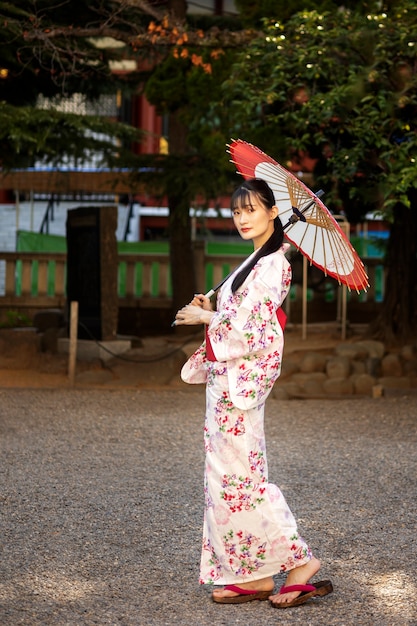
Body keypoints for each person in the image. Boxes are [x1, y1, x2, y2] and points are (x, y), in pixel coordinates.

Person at [174, 178, 333, 609]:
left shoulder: (275, 264)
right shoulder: (256, 259)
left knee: (245, 482)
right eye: (237, 211)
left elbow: (255, 329)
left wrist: (204, 320)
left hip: (240, 387)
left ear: (272, 212)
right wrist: (211, 310)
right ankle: (253, 573)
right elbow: (235, 315)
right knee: (226, 481)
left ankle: (300, 563)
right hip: (225, 384)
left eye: (251, 209)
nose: (243, 218)